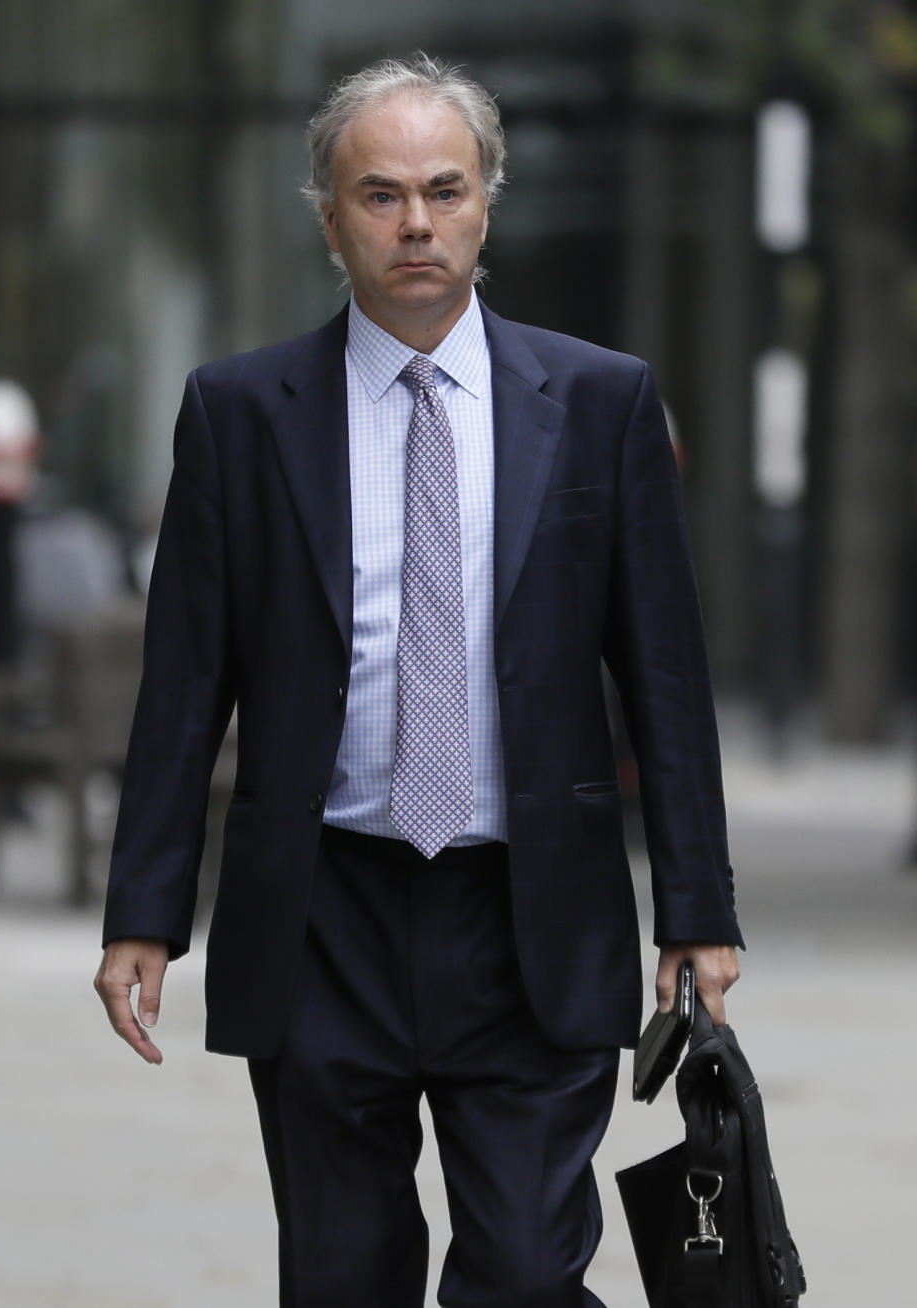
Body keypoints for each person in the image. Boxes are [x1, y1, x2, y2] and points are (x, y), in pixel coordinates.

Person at [94, 53, 742, 1308]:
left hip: (531, 917)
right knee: (341, 1277)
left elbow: (664, 671)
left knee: (523, 1273)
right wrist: (144, 910)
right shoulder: (240, 412)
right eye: (380, 194)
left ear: (487, 203)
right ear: (329, 216)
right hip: (323, 912)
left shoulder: (600, 402)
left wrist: (699, 912)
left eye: (445, 190)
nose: (416, 223)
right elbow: (185, 682)